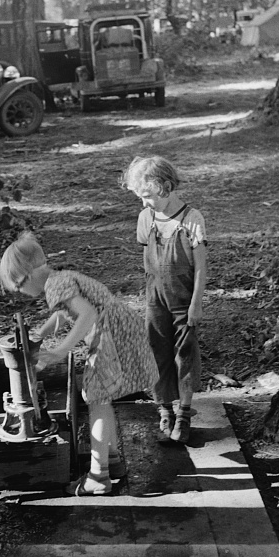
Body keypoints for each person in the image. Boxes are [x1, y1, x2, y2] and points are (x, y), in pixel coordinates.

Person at [0, 231, 157, 496]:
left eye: (18, 286)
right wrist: (40, 334)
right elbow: (64, 315)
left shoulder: (54, 285)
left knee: (97, 400)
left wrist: (61, 351)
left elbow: (87, 313)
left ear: (27, 274)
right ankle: (112, 460)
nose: (22, 294)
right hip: (121, 329)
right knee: (102, 398)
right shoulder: (60, 277)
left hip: (110, 336)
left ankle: (98, 477)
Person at [121, 156, 207, 444]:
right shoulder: (146, 218)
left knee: (184, 357)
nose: (144, 203)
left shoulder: (192, 219)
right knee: (157, 354)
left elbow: (201, 268)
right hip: (156, 300)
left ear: (166, 187)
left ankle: (183, 413)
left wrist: (196, 303)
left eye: (147, 197)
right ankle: (165, 409)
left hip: (184, 302)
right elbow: (149, 259)